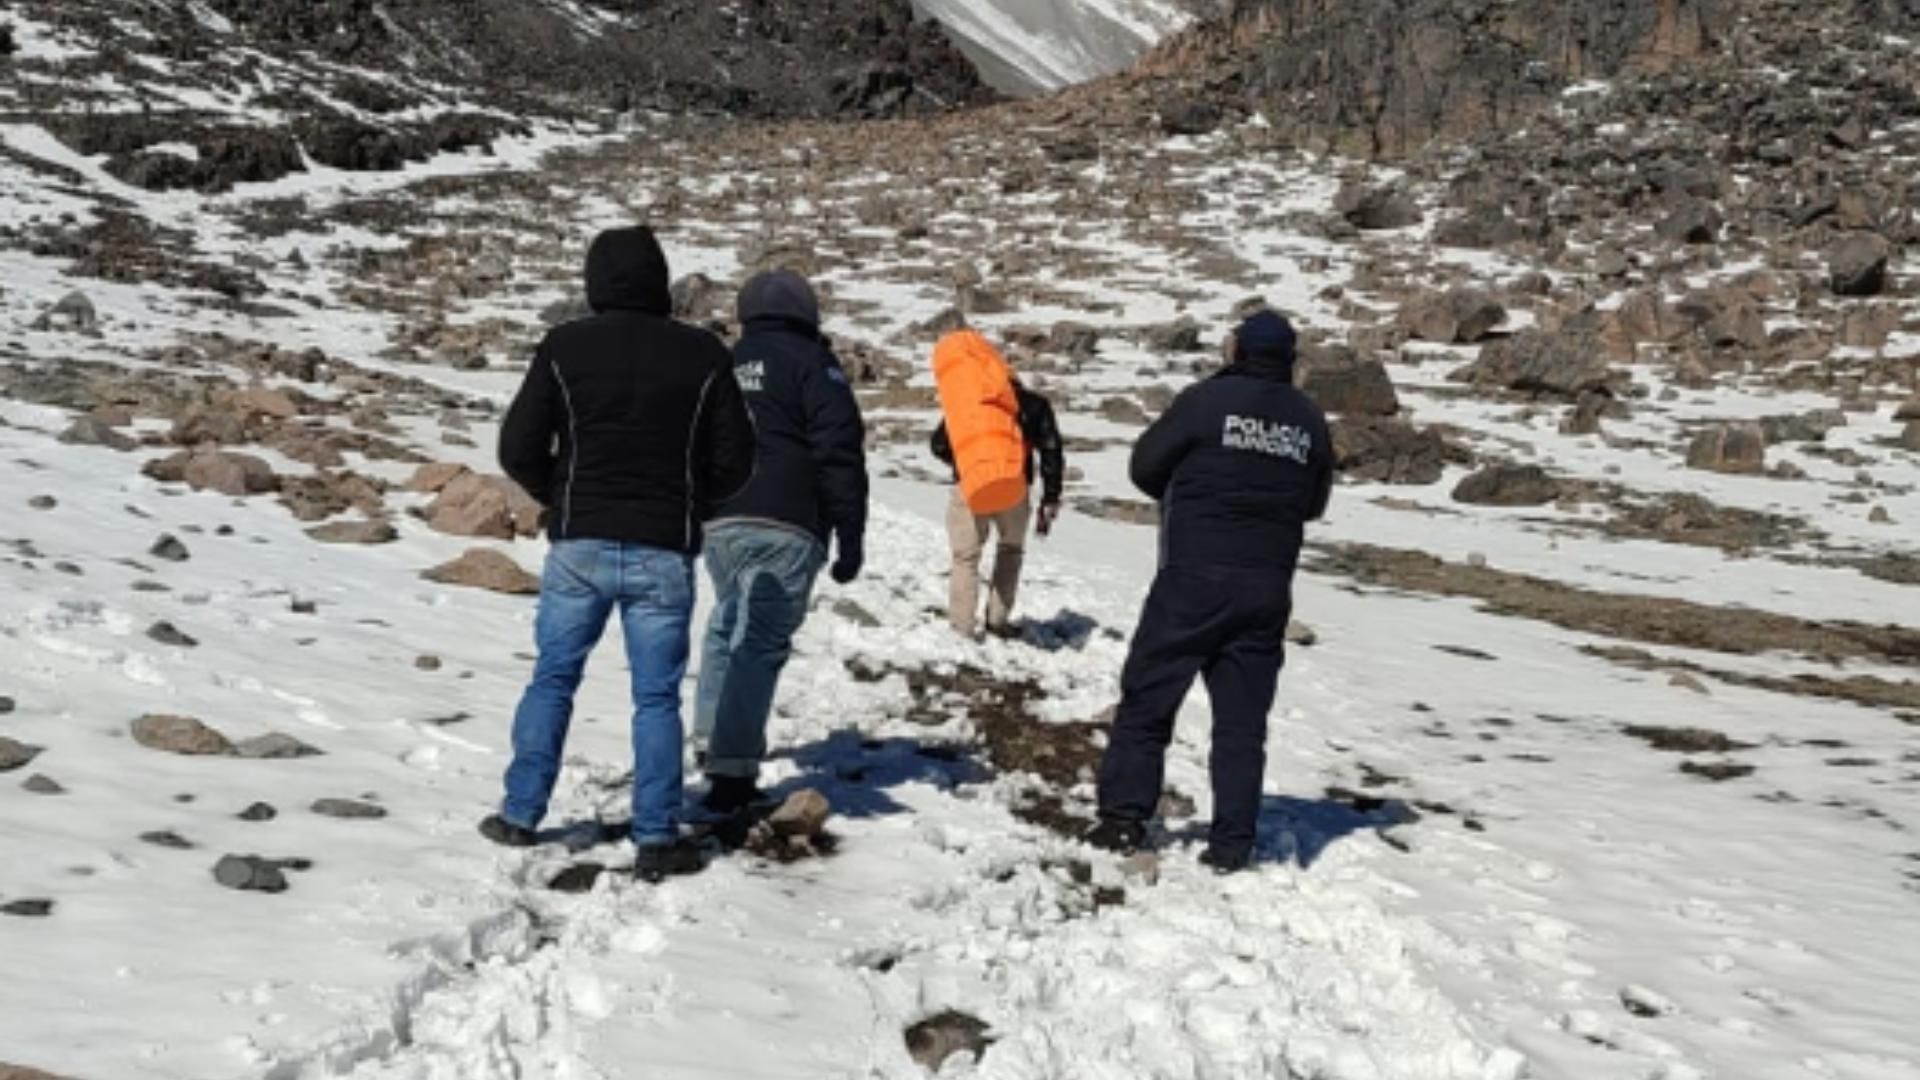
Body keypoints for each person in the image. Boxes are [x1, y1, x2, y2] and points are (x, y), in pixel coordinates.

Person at [482, 225, 757, 882]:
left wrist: (565, 497)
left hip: (580, 543)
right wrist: (690, 505)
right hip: (664, 547)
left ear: (596, 280)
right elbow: (737, 460)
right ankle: (656, 834)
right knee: (656, 697)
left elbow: (517, 447)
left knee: (553, 677)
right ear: (657, 281)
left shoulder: (565, 346)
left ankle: (520, 814)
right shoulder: (703, 355)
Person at [1087, 311, 1333, 874]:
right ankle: (1232, 843)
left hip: (1193, 577)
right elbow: (1314, 503)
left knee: (1149, 700)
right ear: (1289, 360)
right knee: (1241, 724)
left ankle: (1123, 818)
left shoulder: (1205, 402)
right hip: (1267, 586)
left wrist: (1193, 489)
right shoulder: (1309, 420)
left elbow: (1144, 465)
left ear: (1238, 350)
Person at [692, 270, 868, 811]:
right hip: (788, 517)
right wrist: (849, 536)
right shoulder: (814, 365)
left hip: (722, 516)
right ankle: (731, 769)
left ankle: (710, 736)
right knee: (761, 640)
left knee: (727, 620)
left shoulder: (726, 362)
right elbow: (839, 450)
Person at [930, 361, 1064, 638]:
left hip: (971, 485)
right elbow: (1051, 452)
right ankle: (997, 620)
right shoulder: (1035, 405)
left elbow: (939, 444)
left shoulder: (970, 401)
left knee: (965, 557)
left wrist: (967, 464)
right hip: (1014, 487)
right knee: (1010, 551)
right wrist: (1050, 496)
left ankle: (962, 626)